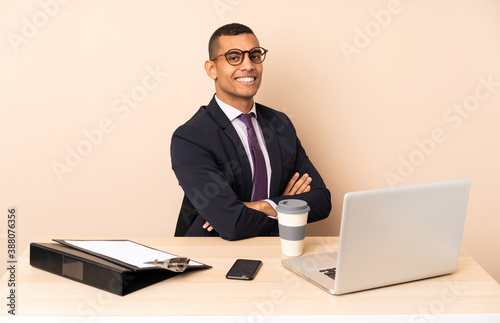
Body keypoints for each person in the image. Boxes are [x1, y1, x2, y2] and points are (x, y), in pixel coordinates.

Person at [171, 23, 331, 240]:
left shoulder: (280, 124)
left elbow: (321, 200)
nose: (248, 65)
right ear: (212, 69)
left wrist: (265, 206)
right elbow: (233, 224)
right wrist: (284, 205)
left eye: (255, 55)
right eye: (234, 57)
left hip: (276, 252)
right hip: (213, 256)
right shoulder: (190, 137)